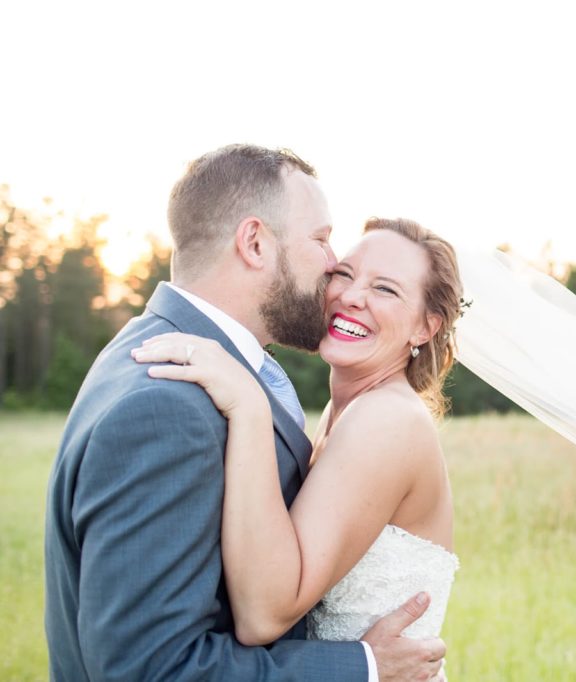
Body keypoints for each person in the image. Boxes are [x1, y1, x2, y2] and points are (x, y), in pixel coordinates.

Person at [44, 145, 445, 681]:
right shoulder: (167, 402)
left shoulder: (155, 349)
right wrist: (361, 666)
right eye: (323, 242)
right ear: (255, 243)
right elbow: (147, 668)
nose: (333, 272)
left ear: (427, 326)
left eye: (385, 288)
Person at [131, 217, 463, 652]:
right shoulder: (344, 409)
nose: (351, 295)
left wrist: (249, 405)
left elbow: (264, 615)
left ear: (426, 327)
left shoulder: (387, 420)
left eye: (385, 289)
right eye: (344, 274)